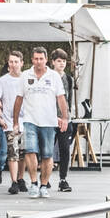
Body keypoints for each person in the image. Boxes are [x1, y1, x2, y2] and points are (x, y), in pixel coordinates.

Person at [11, 46, 69, 199]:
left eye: (41, 59)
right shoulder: (25, 75)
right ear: (32, 60)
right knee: (30, 150)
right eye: (36, 59)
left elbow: (61, 98)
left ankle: (44, 185)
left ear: (46, 60)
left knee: (47, 155)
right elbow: (19, 99)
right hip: (30, 120)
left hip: (49, 122)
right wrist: (15, 121)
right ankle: (34, 183)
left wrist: (65, 118)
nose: (38, 62)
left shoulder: (54, 76)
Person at [0, 51, 28, 194]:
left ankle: (21, 178)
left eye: (16, 62)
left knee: (23, 153)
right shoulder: (2, 80)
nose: (13, 65)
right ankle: (13, 181)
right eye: (11, 62)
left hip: (25, 120)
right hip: (8, 120)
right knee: (12, 151)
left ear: (21, 63)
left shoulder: (27, 79)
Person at [50, 48, 76, 192]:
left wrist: (67, 116)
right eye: (59, 61)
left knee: (65, 149)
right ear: (53, 62)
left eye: (64, 61)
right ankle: (45, 177)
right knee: (47, 150)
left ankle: (63, 179)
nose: (62, 64)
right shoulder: (49, 77)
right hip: (50, 118)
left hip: (65, 119)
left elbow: (69, 98)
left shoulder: (69, 79)